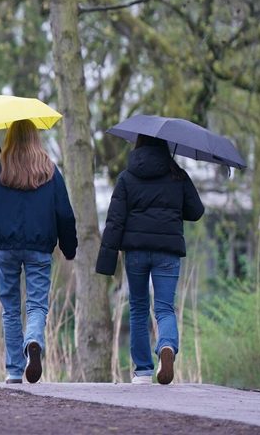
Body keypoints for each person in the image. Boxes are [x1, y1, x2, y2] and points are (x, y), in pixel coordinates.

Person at [95, 134, 205, 385]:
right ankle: (166, 346)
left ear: (139, 144)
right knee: (165, 308)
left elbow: (115, 220)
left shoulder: (126, 177)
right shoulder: (178, 175)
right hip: (168, 251)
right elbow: (196, 211)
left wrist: (106, 260)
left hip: (135, 252)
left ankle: (143, 371)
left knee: (138, 308)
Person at [0, 119, 77, 384]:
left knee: (10, 308)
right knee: (36, 304)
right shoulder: (49, 171)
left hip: (6, 248)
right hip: (39, 248)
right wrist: (69, 248)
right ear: (35, 138)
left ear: (10, 138)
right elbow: (65, 215)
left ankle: (14, 370)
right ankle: (33, 339)